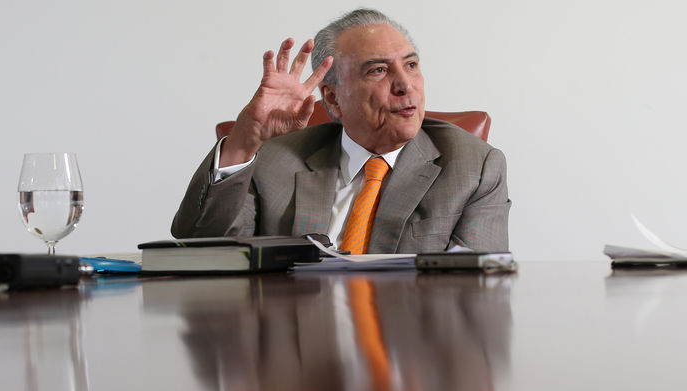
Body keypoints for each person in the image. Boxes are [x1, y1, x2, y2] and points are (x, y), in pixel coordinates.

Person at [172, 8, 510, 253]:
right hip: (292, 344)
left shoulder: (473, 167)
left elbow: (476, 289)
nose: (406, 86)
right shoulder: (276, 160)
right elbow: (202, 249)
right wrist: (246, 139)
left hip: (405, 346)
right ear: (333, 97)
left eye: (411, 65)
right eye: (378, 70)